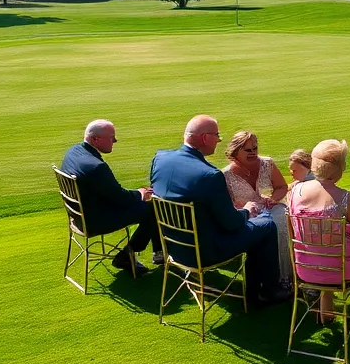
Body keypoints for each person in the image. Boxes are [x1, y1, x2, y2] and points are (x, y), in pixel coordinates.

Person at [151, 115, 289, 306]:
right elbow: (231, 223)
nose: (218, 140)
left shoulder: (161, 159)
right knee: (266, 223)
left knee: (262, 222)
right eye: (217, 135)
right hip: (207, 250)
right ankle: (266, 291)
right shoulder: (210, 175)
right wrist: (247, 211)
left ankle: (260, 287)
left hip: (173, 247)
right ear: (205, 138)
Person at [287, 139, 350, 318]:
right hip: (341, 270)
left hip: (306, 268)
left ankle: (327, 308)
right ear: (340, 168)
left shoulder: (295, 191)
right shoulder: (345, 198)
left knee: (326, 245)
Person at [60, 119, 161, 272]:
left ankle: (156, 253)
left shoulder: (74, 151)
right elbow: (120, 197)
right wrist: (140, 194)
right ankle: (130, 255)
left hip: (79, 216)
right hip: (94, 221)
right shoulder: (96, 167)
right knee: (153, 208)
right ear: (95, 139)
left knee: (147, 204)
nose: (115, 141)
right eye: (111, 137)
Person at [223, 131, 292, 288]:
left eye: (255, 148)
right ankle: (264, 279)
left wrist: (274, 198)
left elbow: (282, 187)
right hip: (247, 215)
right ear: (236, 151)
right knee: (263, 228)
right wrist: (243, 208)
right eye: (248, 150)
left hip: (270, 208)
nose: (253, 152)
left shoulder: (267, 163)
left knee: (282, 218)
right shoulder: (225, 175)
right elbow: (226, 205)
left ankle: (286, 275)